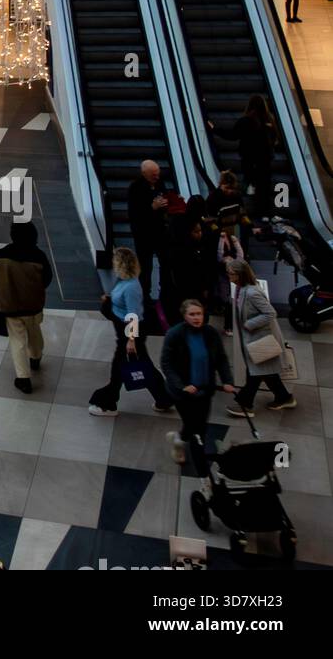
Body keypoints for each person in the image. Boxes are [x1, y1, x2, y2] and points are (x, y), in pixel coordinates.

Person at [88, 247, 174, 416]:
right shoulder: (124, 281)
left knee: (118, 369)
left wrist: (131, 339)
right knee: (144, 365)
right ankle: (163, 398)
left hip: (129, 334)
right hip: (126, 333)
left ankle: (108, 404)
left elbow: (133, 314)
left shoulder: (131, 287)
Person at [160, 299, 236, 472]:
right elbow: (166, 364)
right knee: (197, 430)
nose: (196, 318)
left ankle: (178, 440)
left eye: (199, 314)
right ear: (184, 316)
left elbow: (221, 359)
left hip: (205, 390)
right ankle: (202, 469)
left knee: (197, 425)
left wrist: (227, 381)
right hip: (182, 394)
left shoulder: (210, 333)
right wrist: (182, 386)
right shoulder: (175, 334)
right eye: (192, 314)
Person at [0, 221, 52, 393]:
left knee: (18, 340)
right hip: (33, 304)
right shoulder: (39, 256)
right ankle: (36, 357)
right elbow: (47, 278)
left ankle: (23, 378)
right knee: (34, 330)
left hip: (10, 305)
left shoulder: (1, 255)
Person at [225, 260, 297, 415]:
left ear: (240, 274)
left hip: (260, 340)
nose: (228, 275)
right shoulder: (242, 289)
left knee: (255, 373)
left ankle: (245, 405)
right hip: (257, 340)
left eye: (231, 273)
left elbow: (270, 313)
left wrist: (249, 324)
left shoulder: (252, 292)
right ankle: (284, 397)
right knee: (265, 372)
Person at [214, 95, 278, 220]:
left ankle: (243, 209)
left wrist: (215, 130)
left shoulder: (246, 121)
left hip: (249, 159)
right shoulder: (270, 120)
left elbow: (233, 135)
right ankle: (263, 213)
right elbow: (275, 138)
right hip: (265, 160)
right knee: (263, 186)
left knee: (248, 182)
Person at [126, 159, 171, 316]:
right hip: (144, 234)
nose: (157, 177)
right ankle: (144, 297)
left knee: (165, 262)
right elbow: (135, 214)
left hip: (159, 231)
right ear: (144, 174)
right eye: (153, 175)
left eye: (158, 174)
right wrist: (152, 207)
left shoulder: (159, 184)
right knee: (145, 267)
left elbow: (165, 196)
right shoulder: (136, 188)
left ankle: (164, 292)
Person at [216, 222, 246, 335]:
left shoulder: (232, 240)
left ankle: (233, 325)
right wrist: (221, 240)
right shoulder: (220, 239)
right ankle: (228, 327)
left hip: (233, 275)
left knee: (234, 301)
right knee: (227, 301)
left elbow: (240, 256)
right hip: (223, 275)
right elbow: (219, 256)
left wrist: (235, 242)